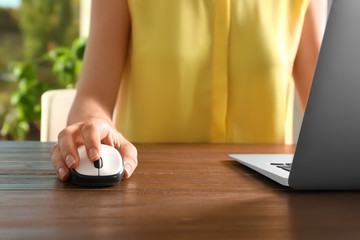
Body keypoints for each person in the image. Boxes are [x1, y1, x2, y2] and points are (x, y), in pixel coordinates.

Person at [50, 0, 327, 181]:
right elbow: (93, 96)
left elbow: (329, 111)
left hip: (268, 199)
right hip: (145, 193)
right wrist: (92, 124)